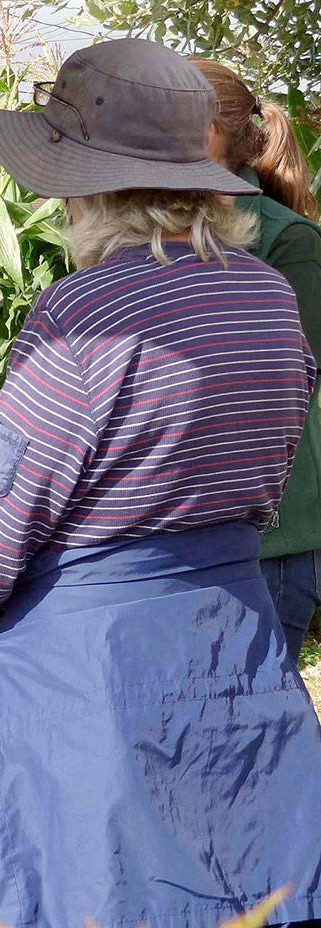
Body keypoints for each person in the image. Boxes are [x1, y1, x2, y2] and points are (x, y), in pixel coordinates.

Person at [0, 38, 321, 928]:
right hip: (237, 645)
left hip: (89, 678)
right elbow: (266, 480)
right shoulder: (266, 294)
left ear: (87, 188)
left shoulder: (84, 311)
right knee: (242, 895)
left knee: (93, 900)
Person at [192, 57, 321, 665]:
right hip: (193, 535)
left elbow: (294, 387)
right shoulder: (154, 232)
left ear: (213, 135)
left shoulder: (287, 241)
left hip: (266, 543)